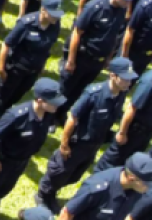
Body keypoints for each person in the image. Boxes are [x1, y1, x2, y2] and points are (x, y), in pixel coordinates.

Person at [37, 57, 136, 212]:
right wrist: (64, 144)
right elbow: (73, 117)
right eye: (124, 79)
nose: (128, 82)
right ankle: (43, 195)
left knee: (75, 175)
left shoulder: (121, 94)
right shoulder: (94, 93)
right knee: (59, 171)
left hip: (94, 143)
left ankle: (51, 193)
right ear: (112, 76)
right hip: (79, 142)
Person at [0, 78, 64, 220]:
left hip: (21, 160)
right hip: (4, 159)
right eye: (53, 102)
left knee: (5, 187)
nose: (57, 106)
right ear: (40, 101)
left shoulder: (47, 114)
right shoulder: (16, 116)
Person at [60, 0, 135, 117]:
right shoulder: (95, 7)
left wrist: (108, 58)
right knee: (66, 88)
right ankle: (52, 116)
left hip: (97, 60)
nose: (127, 2)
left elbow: (113, 35)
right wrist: (71, 60)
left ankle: (61, 114)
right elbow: (77, 32)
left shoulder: (120, 10)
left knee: (79, 89)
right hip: (82, 56)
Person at [0, 0, 64, 121]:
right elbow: (6, 44)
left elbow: (48, 48)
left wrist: (42, 66)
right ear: (43, 10)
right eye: (53, 13)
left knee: (16, 97)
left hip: (32, 71)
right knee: (1, 98)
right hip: (16, 69)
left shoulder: (55, 25)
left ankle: (2, 118)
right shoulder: (26, 23)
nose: (56, 17)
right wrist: (2, 68)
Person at [60, 153, 152, 220]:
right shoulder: (97, 187)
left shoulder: (136, 189)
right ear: (132, 179)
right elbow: (67, 213)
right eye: (147, 183)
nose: (149, 187)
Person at [95, 65, 152, 171]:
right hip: (134, 129)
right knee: (111, 162)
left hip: (146, 132)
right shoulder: (150, 81)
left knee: (129, 163)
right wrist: (122, 133)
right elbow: (132, 108)